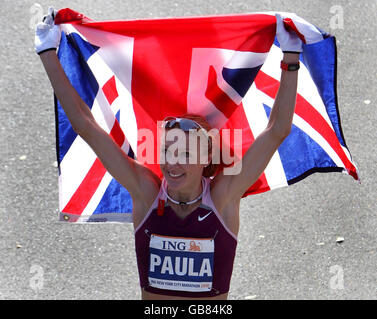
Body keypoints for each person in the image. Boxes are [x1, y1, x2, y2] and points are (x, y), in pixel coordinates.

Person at [35, 7, 302, 300]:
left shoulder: (224, 195)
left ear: (205, 159)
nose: (173, 162)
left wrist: (290, 60)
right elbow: (86, 127)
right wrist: (48, 51)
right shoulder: (146, 192)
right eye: (167, 150)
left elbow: (277, 130)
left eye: (186, 154)